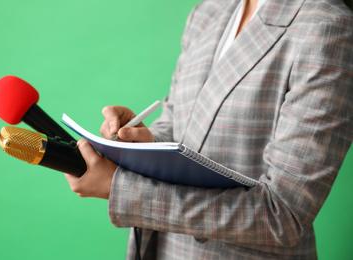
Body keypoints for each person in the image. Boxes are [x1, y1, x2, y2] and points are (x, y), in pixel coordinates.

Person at [64, 0, 353, 259]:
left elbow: (284, 215)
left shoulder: (326, 28)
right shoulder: (208, 12)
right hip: (166, 249)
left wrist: (122, 190)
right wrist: (144, 140)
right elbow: (178, 122)